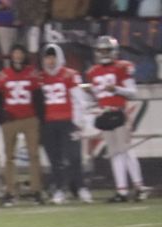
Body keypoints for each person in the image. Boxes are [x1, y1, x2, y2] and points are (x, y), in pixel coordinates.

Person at [85, 35, 150, 202]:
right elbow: (97, 96)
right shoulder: (93, 72)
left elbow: (132, 92)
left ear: (113, 51)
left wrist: (116, 89)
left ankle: (139, 187)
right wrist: (91, 98)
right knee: (114, 153)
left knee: (126, 151)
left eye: (107, 50)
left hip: (120, 112)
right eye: (101, 50)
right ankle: (121, 191)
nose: (103, 53)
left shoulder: (122, 67)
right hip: (105, 114)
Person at [39, 44, 92, 205]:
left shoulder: (70, 75)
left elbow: (80, 100)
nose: (51, 60)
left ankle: (81, 188)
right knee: (55, 160)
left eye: (53, 57)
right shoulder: (39, 78)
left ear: (59, 57)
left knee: (75, 157)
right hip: (48, 123)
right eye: (48, 57)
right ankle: (60, 189)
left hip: (68, 122)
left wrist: (78, 122)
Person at [0, 43, 44, 206]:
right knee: (9, 157)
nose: (17, 56)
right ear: (11, 55)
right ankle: (10, 191)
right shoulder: (3, 75)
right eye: (15, 53)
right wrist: (1, 118)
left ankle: (35, 190)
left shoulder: (32, 74)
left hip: (30, 119)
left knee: (34, 155)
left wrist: (39, 118)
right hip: (10, 120)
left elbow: (38, 97)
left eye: (20, 53)